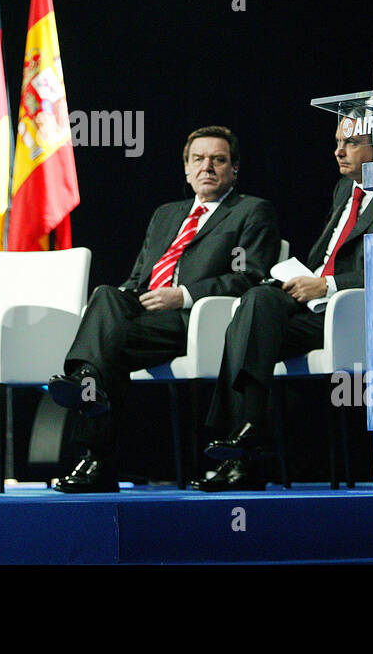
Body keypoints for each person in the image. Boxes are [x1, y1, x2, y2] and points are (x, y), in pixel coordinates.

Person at [46, 125, 280, 493]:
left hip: (194, 319)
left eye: (219, 160)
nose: (208, 167)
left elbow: (250, 277)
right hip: (145, 313)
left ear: (234, 169)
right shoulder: (166, 214)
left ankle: (96, 458)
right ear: (186, 169)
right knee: (106, 294)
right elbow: (139, 276)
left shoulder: (251, 211)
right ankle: (89, 379)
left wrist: (183, 294)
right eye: (198, 160)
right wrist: (124, 297)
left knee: (105, 349)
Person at [193, 119, 373, 491]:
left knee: (248, 323)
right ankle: (246, 441)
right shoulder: (345, 188)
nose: (339, 151)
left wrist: (327, 284)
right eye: (336, 142)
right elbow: (326, 255)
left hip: (349, 311)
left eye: (352, 142)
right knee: (255, 304)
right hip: (314, 308)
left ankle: (243, 450)